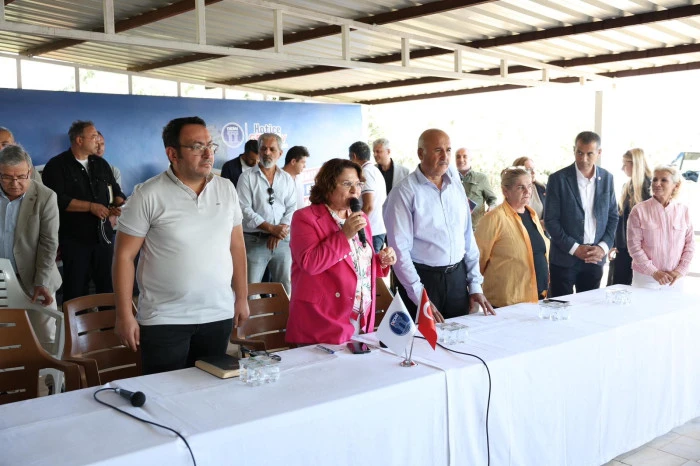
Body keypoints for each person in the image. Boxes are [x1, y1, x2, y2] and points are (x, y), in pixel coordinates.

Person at [113, 116, 250, 375]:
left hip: (217, 314)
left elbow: (237, 247)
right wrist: (124, 314)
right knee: (163, 393)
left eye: (210, 145)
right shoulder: (147, 194)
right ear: (172, 153)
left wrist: (241, 298)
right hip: (165, 318)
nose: (208, 153)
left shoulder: (226, 189)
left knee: (209, 390)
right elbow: (124, 257)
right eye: (197, 147)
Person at [384, 129, 495, 321]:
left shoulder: (456, 185)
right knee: (423, 339)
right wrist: (419, 295)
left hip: (457, 279)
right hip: (423, 281)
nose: (445, 156)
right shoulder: (404, 192)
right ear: (421, 153)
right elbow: (399, 251)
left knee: (460, 336)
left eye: (448, 150)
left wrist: (475, 284)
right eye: (438, 150)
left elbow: (467, 237)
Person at [286, 159, 396, 345]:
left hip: (361, 318)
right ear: (328, 185)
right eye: (347, 184)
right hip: (322, 322)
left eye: (358, 184)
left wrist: (381, 261)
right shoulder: (304, 218)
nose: (355, 191)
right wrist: (344, 235)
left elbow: (358, 263)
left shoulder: (360, 217)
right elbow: (310, 263)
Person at [42, 120, 125, 303]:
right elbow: (56, 200)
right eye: (93, 137)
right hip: (75, 239)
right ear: (79, 140)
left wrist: (120, 203)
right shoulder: (57, 166)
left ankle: (106, 321)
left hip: (103, 236)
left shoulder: (101, 164)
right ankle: (77, 322)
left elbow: (115, 190)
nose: (97, 141)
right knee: (76, 288)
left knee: (107, 285)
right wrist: (90, 207)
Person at [0, 145, 61, 350]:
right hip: (2, 278)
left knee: (44, 337)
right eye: (7, 177)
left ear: (30, 170)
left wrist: (41, 281)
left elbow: (49, 243)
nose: (15, 183)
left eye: (21, 176)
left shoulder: (45, 196)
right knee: (6, 337)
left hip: (37, 277)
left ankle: (50, 371)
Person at [544, 131, 618, 297]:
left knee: (589, 308)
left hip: (595, 258)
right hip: (564, 258)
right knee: (561, 307)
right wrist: (575, 248)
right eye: (579, 153)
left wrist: (603, 247)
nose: (583, 159)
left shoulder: (607, 178)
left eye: (589, 154)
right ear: (574, 150)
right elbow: (551, 221)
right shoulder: (558, 179)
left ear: (599, 153)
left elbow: (613, 216)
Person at [474, 166, 549, 307]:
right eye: (520, 187)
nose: (527, 191)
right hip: (506, 302)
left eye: (529, 186)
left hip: (538, 297)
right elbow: (477, 260)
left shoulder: (532, 215)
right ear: (505, 191)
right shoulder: (493, 219)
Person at [238, 133, 296, 294]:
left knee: (286, 288)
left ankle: (283, 313)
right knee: (252, 290)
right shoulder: (246, 177)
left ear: (280, 153)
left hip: (282, 241)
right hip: (255, 241)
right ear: (258, 151)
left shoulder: (286, 178)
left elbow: (292, 207)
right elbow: (243, 208)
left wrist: (279, 231)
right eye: (263, 149)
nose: (267, 153)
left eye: (272, 149)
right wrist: (271, 229)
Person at [627, 165, 694, 290]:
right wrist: (654, 272)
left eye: (664, 180)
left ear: (676, 185)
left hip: (675, 279)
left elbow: (690, 245)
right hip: (646, 279)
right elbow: (634, 247)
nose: (657, 184)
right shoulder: (639, 211)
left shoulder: (683, 211)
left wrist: (680, 270)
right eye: (655, 179)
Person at [607, 148, 652, 285]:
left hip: (642, 251)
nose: (622, 168)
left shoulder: (650, 188)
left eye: (625, 164)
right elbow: (619, 217)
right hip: (623, 249)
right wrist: (614, 243)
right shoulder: (627, 186)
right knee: (618, 287)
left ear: (635, 164)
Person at [349, 141, 387, 252]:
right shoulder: (375, 170)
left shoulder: (365, 172)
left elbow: (369, 206)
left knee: (369, 262)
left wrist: (357, 226)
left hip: (371, 230)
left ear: (354, 156)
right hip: (377, 228)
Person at [455, 147, 497, 229]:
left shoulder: (481, 178)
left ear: (470, 159)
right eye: (458, 157)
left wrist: (492, 207)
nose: (461, 159)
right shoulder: (449, 179)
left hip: (476, 229)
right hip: (455, 229)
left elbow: (492, 200)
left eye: (465, 156)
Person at [512, 156, 546, 222]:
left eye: (533, 168)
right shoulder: (511, 192)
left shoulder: (544, 188)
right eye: (529, 170)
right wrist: (539, 224)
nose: (533, 172)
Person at [282, 145, 310, 209]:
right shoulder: (277, 179)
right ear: (293, 162)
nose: (304, 166)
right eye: (303, 162)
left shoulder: (299, 178)